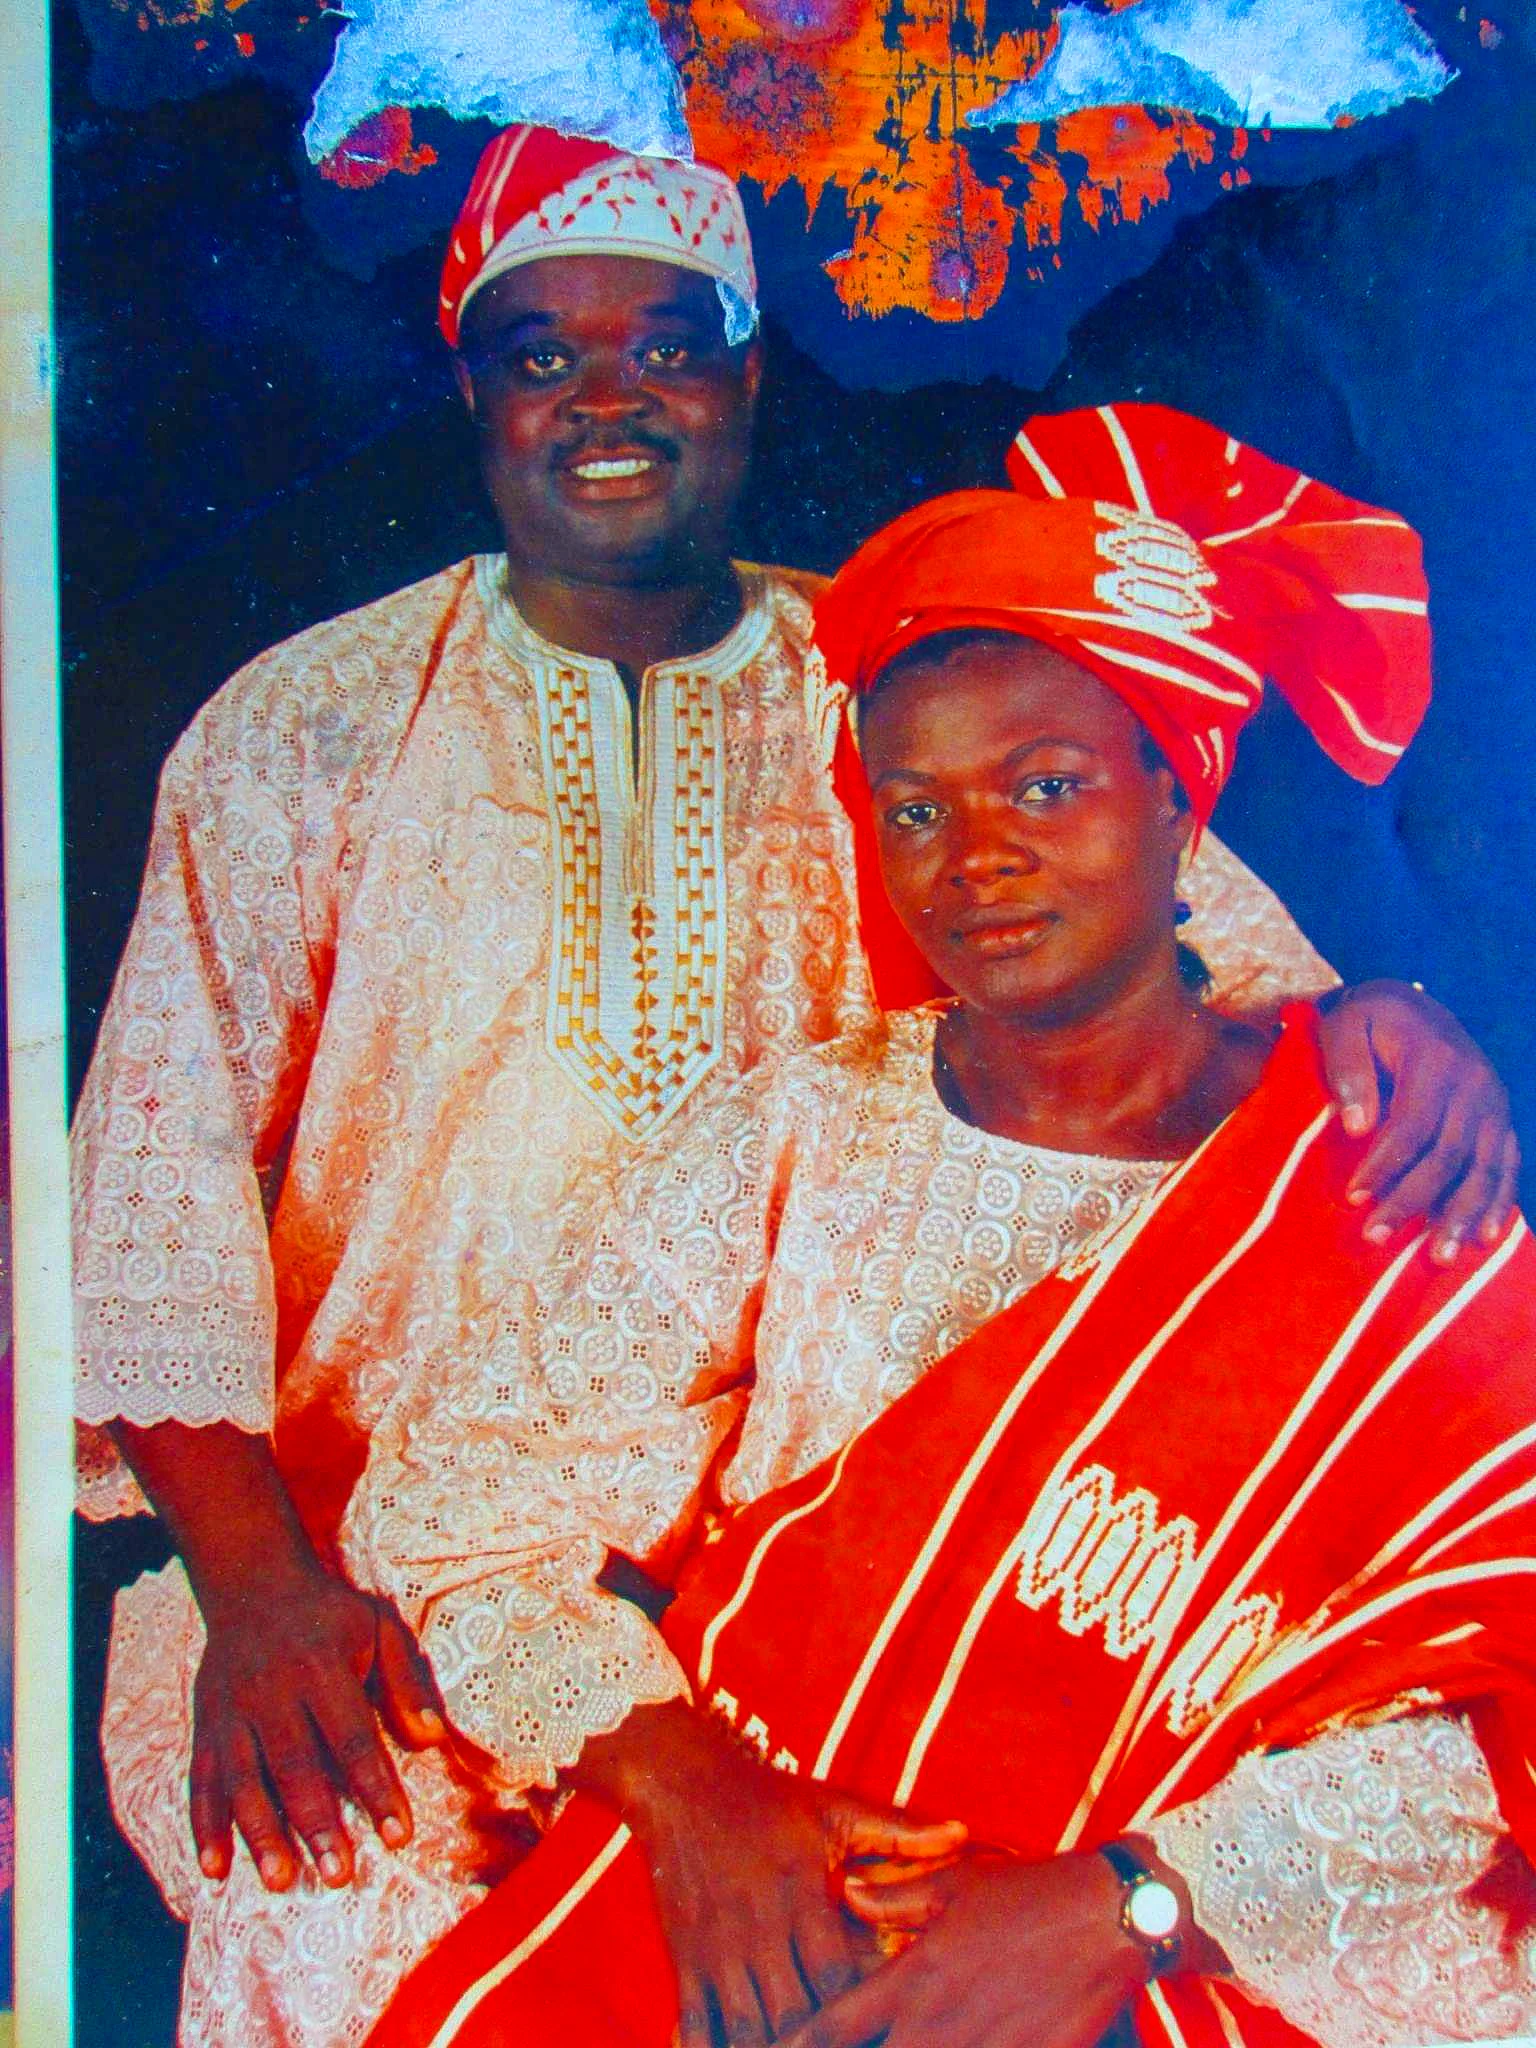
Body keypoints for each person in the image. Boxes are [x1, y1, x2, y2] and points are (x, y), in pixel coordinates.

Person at [75, 119, 1513, 2041]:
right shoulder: (303, 727)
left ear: (749, 377)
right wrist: (260, 1591)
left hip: (854, 1553)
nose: (608, 400)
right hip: (392, 1581)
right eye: (543, 354)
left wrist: (1396, 1008)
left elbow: (1207, 962)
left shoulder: (895, 669)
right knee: (332, 1907)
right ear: (473, 390)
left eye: (668, 347)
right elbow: (151, 1199)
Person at [359, 406, 1536, 2048]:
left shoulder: (1385, 1177)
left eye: (1045, 786)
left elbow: (1488, 1708)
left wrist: (1121, 1909)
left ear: (1177, 799)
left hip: (1167, 1949)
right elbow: (456, 1495)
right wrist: (692, 1796)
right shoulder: (809, 1128)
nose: (976, 858)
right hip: (778, 1874)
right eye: (914, 809)